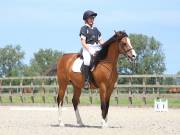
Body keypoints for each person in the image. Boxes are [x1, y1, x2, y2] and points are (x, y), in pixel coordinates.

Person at [79, 10, 104, 89]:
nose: (92, 19)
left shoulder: (96, 29)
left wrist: (106, 46)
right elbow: (83, 42)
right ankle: (86, 81)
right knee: (87, 60)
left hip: (97, 48)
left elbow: (101, 41)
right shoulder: (84, 29)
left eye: (93, 18)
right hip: (87, 48)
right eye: (91, 18)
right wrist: (90, 50)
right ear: (86, 19)